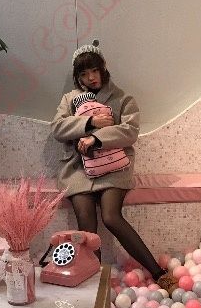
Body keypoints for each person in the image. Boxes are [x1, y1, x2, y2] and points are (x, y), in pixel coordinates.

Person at [51, 43, 178, 293]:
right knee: (86, 223)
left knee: (111, 216)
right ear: (78, 77)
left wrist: (96, 138)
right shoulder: (69, 99)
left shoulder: (122, 98)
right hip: (78, 170)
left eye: (94, 71)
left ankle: (158, 273)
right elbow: (57, 128)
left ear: (103, 68)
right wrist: (90, 121)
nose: (91, 78)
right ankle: (93, 285)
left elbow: (130, 132)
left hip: (114, 168)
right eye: (84, 74)